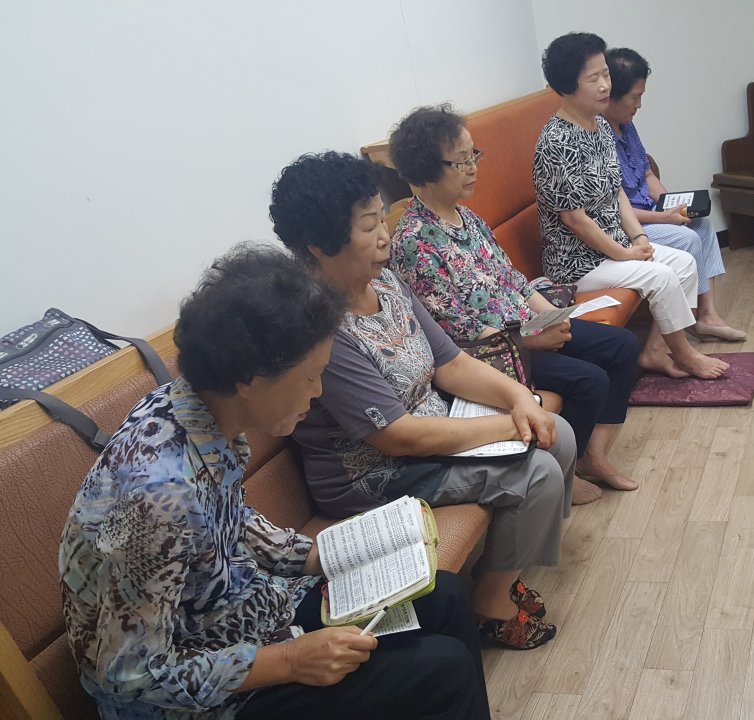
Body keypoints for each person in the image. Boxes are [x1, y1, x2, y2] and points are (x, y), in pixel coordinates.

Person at [58, 245, 489, 719]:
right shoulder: (156, 498)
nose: (318, 392)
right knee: (442, 670)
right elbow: (129, 676)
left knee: (445, 596)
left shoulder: (196, 412)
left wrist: (323, 556)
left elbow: (229, 522)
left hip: (248, 615)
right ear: (252, 379)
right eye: (310, 377)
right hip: (204, 694)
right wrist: (289, 661)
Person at [272, 152, 574, 650]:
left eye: (382, 219)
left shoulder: (385, 283)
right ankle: (490, 603)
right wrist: (511, 423)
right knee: (537, 471)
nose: (385, 235)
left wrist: (519, 397)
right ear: (318, 246)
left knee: (557, 434)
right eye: (369, 226)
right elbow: (397, 437)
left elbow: (450, 362)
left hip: (432, 438)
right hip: (377, 475)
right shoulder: (322, 327)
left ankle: (503, 572)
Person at [387, 104, 641, 498]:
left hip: (526, 329)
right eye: (461, 161)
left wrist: (554, 317)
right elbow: (454, 330)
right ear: (426, 169)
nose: (473, 168)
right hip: (491, 354)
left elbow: (515, 282)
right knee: (589, 380)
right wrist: (530, 340)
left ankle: (593, 454)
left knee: (623, 346)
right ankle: (568, 469)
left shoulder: (468, 218)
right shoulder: (414, 242)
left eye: (474, 155)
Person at [533, 32, 729, 380]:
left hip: (613, 248)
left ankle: (655, 351)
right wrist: (625, 254)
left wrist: (639, 237)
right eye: (593, 78)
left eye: (605, 74)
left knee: (684, 263)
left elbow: (617, 193)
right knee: (662, 275)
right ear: (567, 85)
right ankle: (686, 355)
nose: (605, 85)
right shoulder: (556, 142)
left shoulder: (599, 126)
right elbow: (575, 220)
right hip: (579, 264)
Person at [602, 47, 745, 342]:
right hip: (627, 227)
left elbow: (647, 174)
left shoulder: (627, 127)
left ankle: (708, 315)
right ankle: (682, 325)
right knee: (687, 238)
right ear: (611, 95)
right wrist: (664, 217)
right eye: (634, 97)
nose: (639, 105)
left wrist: (675, 204)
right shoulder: (597, 137)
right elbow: (615, 208)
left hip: (650, 214)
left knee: (702, 226)